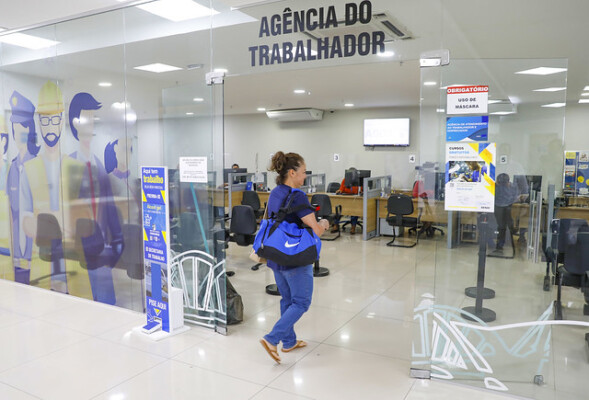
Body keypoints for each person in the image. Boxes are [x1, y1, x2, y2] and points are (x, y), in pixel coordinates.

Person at [259, 151, 329, 364]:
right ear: (292, 172)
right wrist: (324, 224)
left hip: (276, 255)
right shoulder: (297, 196)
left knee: (287, 300)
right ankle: (272, 339)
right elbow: (316, 230)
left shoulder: (275, 192)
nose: (305, 176)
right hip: (294, 257)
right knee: (301, 302)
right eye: (304, 172)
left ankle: (288, 342)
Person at [494, 173, 518, 252]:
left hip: (500, 208)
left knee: (501, 226)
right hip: (504, 208)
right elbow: (513, 198)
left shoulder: (496, 187)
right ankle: (503, 243)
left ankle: (500, 244)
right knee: (504, 226)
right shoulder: (510, 187)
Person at [332, 167, 360, 234]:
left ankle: (353, 227)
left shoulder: (359, 181)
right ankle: (336, 225)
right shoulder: (344, 180)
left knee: (354, 211)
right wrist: (339, 191)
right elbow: (341, 190)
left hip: (355, 201)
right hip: (345, 201)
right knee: (338, 210)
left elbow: (361, 191)